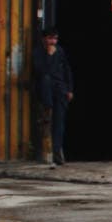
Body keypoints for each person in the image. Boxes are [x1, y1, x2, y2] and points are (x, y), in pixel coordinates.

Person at [32, 28, 74, 165]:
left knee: (59, 122)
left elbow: (67, 69)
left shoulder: (59, 51)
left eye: (55, 39)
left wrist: (69, 89)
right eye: (50, 38)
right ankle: (47, 106)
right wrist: (49, 56)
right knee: (45, 78)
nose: (53, 42)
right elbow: (42, 71)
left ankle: (57, 153)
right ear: (44, 38)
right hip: (45, 91)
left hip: (59, 89)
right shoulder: (38, 52)